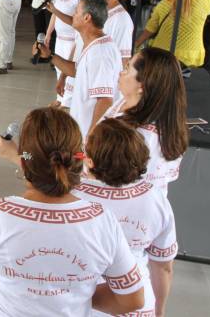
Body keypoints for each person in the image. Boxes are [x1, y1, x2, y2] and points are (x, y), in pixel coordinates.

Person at [0, 107, 145, 317]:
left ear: (25, 163)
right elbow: (133, 300)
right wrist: (74, 295)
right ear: (79, 158)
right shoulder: (102, 222)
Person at [73, 119, 177, 317]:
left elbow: (35, 158)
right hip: (137, 300)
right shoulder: (155, 197)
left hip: (82, 299)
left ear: (90, 161)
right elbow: (163, 267)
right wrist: (159, 309)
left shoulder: (72, 194)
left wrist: (20, 153)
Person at [105, 47, 188, 196]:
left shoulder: (143, 136)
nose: (121, 73)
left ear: (142, 85)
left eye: (127, 68)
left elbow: (113, 183)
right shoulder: (124, 102)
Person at [36, 0, 120, 139]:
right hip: (82, 129)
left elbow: (105, 100)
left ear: (87, 18)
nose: (73, 15)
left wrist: (91, 137)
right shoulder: (93, 44)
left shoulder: (100, 53)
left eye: (76, 12)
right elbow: (77, 71)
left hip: (90, 135)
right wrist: (49, 56)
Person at [42, 0, 87, 95]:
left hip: (73, 40)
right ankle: (61, 99)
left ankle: (67, 102)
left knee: (69, 72)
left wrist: (55, 11)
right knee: (59, 68)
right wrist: (49, 33)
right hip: (60, 39)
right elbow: (54, 14)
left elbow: (75, 20)